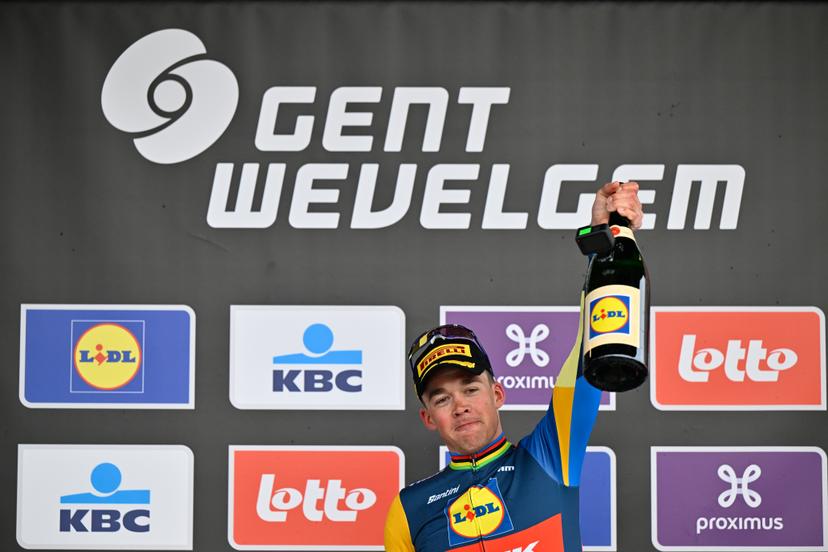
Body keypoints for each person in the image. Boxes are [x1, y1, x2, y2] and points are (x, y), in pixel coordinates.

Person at [384, 182, 644, 551]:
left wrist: (606, 243)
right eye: (441, 399)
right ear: (428, 417)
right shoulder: (408, 510)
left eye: (471, 388)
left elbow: (589, 352)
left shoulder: (550, 457)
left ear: (497, 394)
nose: (460, 406)